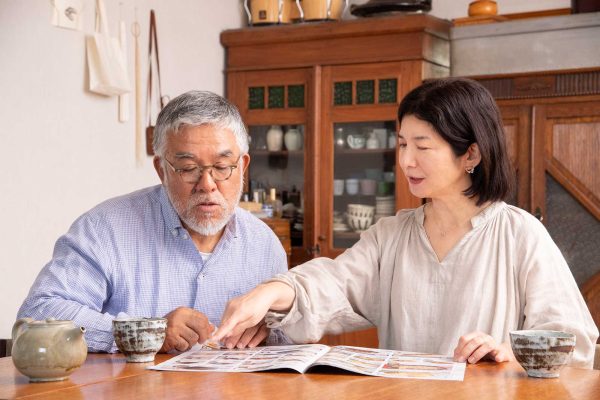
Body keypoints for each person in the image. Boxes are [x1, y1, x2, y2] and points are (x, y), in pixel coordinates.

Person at [213, 78, 599, 368]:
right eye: (402, 144)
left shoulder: (520, 235)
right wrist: (271, 291)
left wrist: (509, 354)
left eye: (423, 146)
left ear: (471, 154)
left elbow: (572, 342)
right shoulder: (391, 235)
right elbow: (333, 283)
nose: (407, 161)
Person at [18, 91, 288, 353]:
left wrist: (272, 329)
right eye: (188, 168)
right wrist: (147, 332)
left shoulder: (264, 245)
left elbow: (285, 340)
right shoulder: (105, 229)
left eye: (221, 167)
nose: (207, 185)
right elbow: (39, 314)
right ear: (162, 170)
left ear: (242, 167)